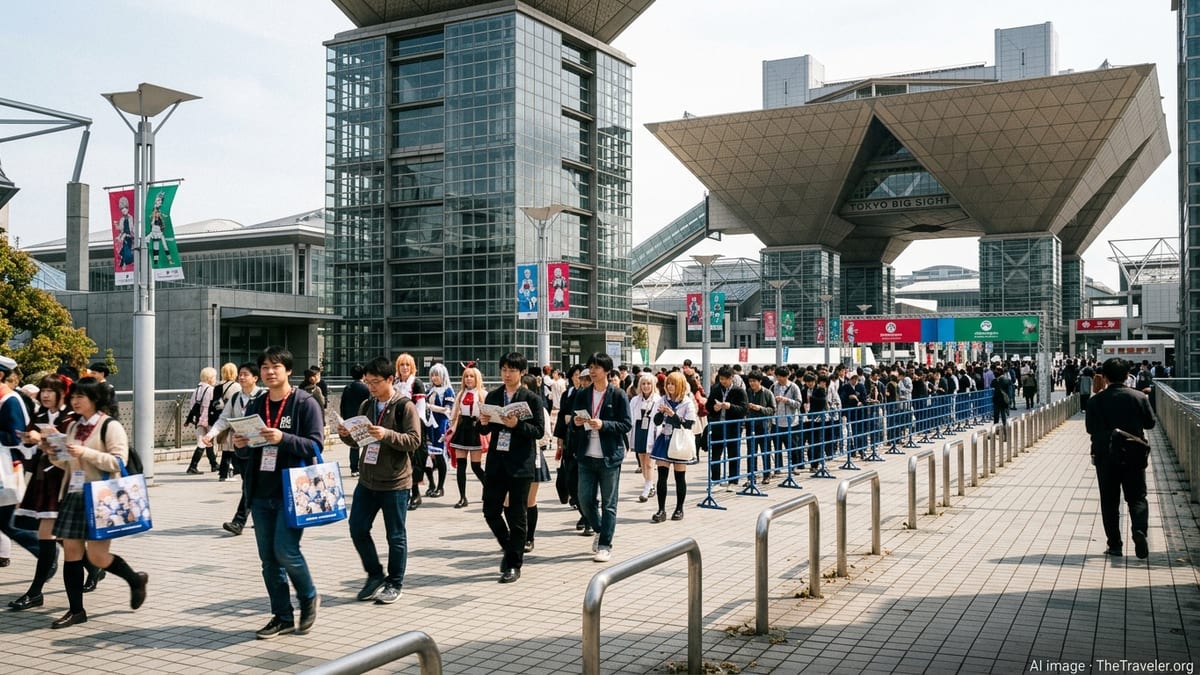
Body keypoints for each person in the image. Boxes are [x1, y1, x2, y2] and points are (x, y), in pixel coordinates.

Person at [231, 346, 325, 639]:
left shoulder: (304, 403)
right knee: (268, 560)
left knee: (286, 550)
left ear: (288, 370)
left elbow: (315, 445)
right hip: (260, 491)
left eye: (276, 366)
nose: (270, 372)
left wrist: (283, 438)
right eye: (265, 367)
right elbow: (248, 452)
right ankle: (282, 616)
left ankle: (308, 596)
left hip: (293, 492)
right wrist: (241, 446)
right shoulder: (257, 404)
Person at [44, 377, 149, 628]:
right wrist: (53, 452)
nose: (75, 401)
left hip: (102, 497)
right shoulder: (74, 426)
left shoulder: (109, 426)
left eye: (80, 396)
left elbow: (118, 461)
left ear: (95, 399)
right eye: (73, 396)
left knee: (98, 556)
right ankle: (76, 611)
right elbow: (68, 463)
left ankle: (135, 580)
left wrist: (86, 453)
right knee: (72, 552)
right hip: (74, 495)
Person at [338, 356, 421, 605]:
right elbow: (359, 441)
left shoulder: (404, 406)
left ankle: (395, 583)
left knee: (395, 536)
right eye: (368, 382)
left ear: (390, 379)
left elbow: (414, 441)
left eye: (375, 382)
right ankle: (375, 574)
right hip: (367, 480)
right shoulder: (367, 404)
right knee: (357, 527)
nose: (371, 386)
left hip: (395, 482)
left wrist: (387, 434)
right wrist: (346, 435)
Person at [479, 352, 545, 582]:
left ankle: (514, 565)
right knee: (490, 510)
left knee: (517, 516)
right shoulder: (493, 395)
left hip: (520, 464)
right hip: (496, 462)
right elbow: (485, 430)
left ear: (522, 372)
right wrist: (483, 423)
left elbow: (538, 431)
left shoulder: (531, 399)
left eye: (512, 370)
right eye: (504, 370)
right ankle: (510, 549)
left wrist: (517, 424)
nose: (507, 374)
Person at [1086, 358, 1155, 559]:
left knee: (1109, 501)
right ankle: (1139, 530)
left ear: (1105, 377)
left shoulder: (1095, 400)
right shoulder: (1138, 397)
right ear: (1127, 376)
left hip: (1105, 455)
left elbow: (1090, 428)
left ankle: (1115, 545)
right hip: (1133, 453)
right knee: (1137, 497)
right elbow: (1150, 424)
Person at [569, 352, 632, 563]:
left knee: (609, 503)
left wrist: (604, 424)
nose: (592, 371)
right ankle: (599, 529)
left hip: (609, 457)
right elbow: (573, 421)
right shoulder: (583, 394)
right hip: (586, 455)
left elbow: (626, 424)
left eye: (596, 367)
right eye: (591, 367)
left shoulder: (618, 395)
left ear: (607, 371)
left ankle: (605, 544)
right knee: (584, 500)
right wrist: (576, 423)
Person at [203, 362, 263, 535]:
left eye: (246, 374)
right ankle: (261, 518)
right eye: (240, 374)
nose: (241, 377)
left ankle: (239, 521)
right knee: (250, 484)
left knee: (250, 484)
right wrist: (210, 435)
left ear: (255, 378)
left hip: (260, 448)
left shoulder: (263, 396)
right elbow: (224, 419)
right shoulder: (236, 397)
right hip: (242, 448)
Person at [648, 371, 697, 522]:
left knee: (679, 477)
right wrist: (660, 413)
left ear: (680, 385)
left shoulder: (687, 402)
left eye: (673, 384)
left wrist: (672, 415)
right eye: (668, 383)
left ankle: (679, 509)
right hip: (665, 438)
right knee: (662, 476)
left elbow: (688, 424)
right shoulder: (663, 399)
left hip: (679, 441)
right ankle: (661, 510)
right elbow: (656, 421)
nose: (670, 386)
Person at [448, 363, 488, 508]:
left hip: (476, 428)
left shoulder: (483, 394)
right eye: (466, 376)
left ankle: (489, 490)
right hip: (463, 428)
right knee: (461, 466)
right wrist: (451, 429)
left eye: (471, 376)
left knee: (476, 466)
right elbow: (454, 413)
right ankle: (462, 497)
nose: (469, 379)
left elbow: (488, 412)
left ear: (477, 378)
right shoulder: (460, 394)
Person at [393, 353, 429, 510]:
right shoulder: (395, 383)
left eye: (408, 365)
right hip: (397, 425)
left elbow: (420, 408)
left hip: (414, 425)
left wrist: (414, 426)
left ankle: (415, 494)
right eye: (402, 364)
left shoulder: (416, 383)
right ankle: (403, 492)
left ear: (412, 367)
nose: (405, 367)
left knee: (416, 460)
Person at [706, 366, 748, 486]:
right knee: (715, 455)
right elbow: (708, 405)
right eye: (721, 379)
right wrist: (713, 408)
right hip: (718, 426)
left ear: (732, 378)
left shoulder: (739, 391)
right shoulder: (715, 389)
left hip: (733, 427)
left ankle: (733, 481)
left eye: (725, 379)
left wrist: (730, 406)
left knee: (733, 454)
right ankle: (715, 480)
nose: (723, 381)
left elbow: (744, 409)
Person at [627, 374, 661, 502]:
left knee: (649, 462)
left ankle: (646, 489)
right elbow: (630, 417)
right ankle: (650, 485)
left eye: (648, 384)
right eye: (643, 384)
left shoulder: (658, 400)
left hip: (652, 432)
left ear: (653, 385)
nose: (646, 386)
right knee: (642, 461)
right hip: (639, 430)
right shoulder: (635, 400)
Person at [424, 363, 454, 498]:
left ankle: (440, 487)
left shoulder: (448, 391)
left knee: (439, 455)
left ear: (443, 376)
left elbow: (447, 410)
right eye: (433, 375)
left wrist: (429, 406)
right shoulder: (429, 390)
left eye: (437, 375)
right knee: (426, 456)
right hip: (428, 425)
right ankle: (431, 484)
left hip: (440, 425)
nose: (434, 378)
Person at [185, 367, 219, 475]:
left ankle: (213, 464)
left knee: (207, 441)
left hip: (198, 419)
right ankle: (192, 466)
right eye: (214, 377)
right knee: (203, 442)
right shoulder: (210, 390)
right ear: (210, 378)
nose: (215, 379)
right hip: (207, 419)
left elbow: (192, 405)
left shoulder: (197, 388)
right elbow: (208, 407)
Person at [743, 371, 776, 482]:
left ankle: (766, 475)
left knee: (765, 451)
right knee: (751, 453)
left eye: (754, 381)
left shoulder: (767, 393)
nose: (752, 383)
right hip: (750, 426)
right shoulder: (747, 392)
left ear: (760, 381)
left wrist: (760, 408)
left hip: (764, 426)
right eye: (750, 381)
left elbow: (773, 410)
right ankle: (751, 477)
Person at [339, 365, 370, 477]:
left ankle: (354, 468)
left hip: (350, 419)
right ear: (364, 375)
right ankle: (365, 468)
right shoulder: (366, 389)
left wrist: (344, 418)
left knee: (354, 445)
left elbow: (342, 405)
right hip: (363, 419)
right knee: (367, 444)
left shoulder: (347, 388)